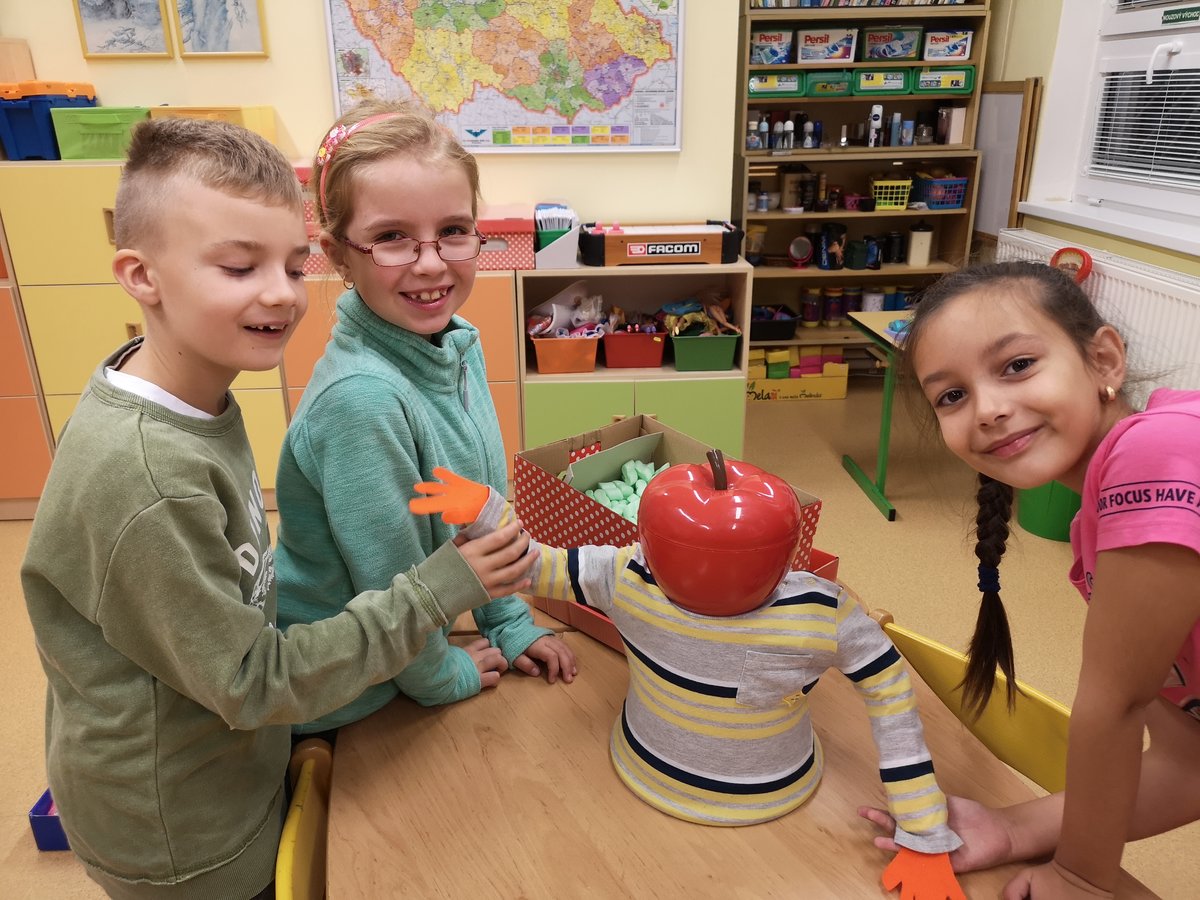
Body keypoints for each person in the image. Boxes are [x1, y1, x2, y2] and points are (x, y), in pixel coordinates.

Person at [20, 116, 534, 900]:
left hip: (241, 760)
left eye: (292, 267)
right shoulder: (150, 477)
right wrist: (441, 590)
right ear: (141, 276)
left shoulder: (192, 401)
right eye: (239, 266)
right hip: (188, 838)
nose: (281, 295)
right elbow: (251, 681)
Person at [410, 460, 967, 900]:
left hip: (648, 777)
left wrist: (490, 513)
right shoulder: (825, 612)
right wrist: (923, 829)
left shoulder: (626, 576)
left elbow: (535, 566)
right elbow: (892, 693)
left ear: (650, 542)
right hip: (769, 793)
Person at [859, 261, 1200, 899]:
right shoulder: (1096, 527)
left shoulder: (1156, 454)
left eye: (1017, 365)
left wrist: (1082, 877)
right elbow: (1190, 762)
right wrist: (1013, 829)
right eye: (952, 397)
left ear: (1104, 360)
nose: (988, 410)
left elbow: (1116, 705)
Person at [273, 99, 575, 735]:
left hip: (419, 644)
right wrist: (442, 676)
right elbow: (386, 591)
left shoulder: (455, 343)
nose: (432, 263)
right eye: (391, 237)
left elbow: (481, 508)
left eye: (454, 229)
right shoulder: (362, 400)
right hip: (352, 691)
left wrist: (508, 622)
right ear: (338, 255)